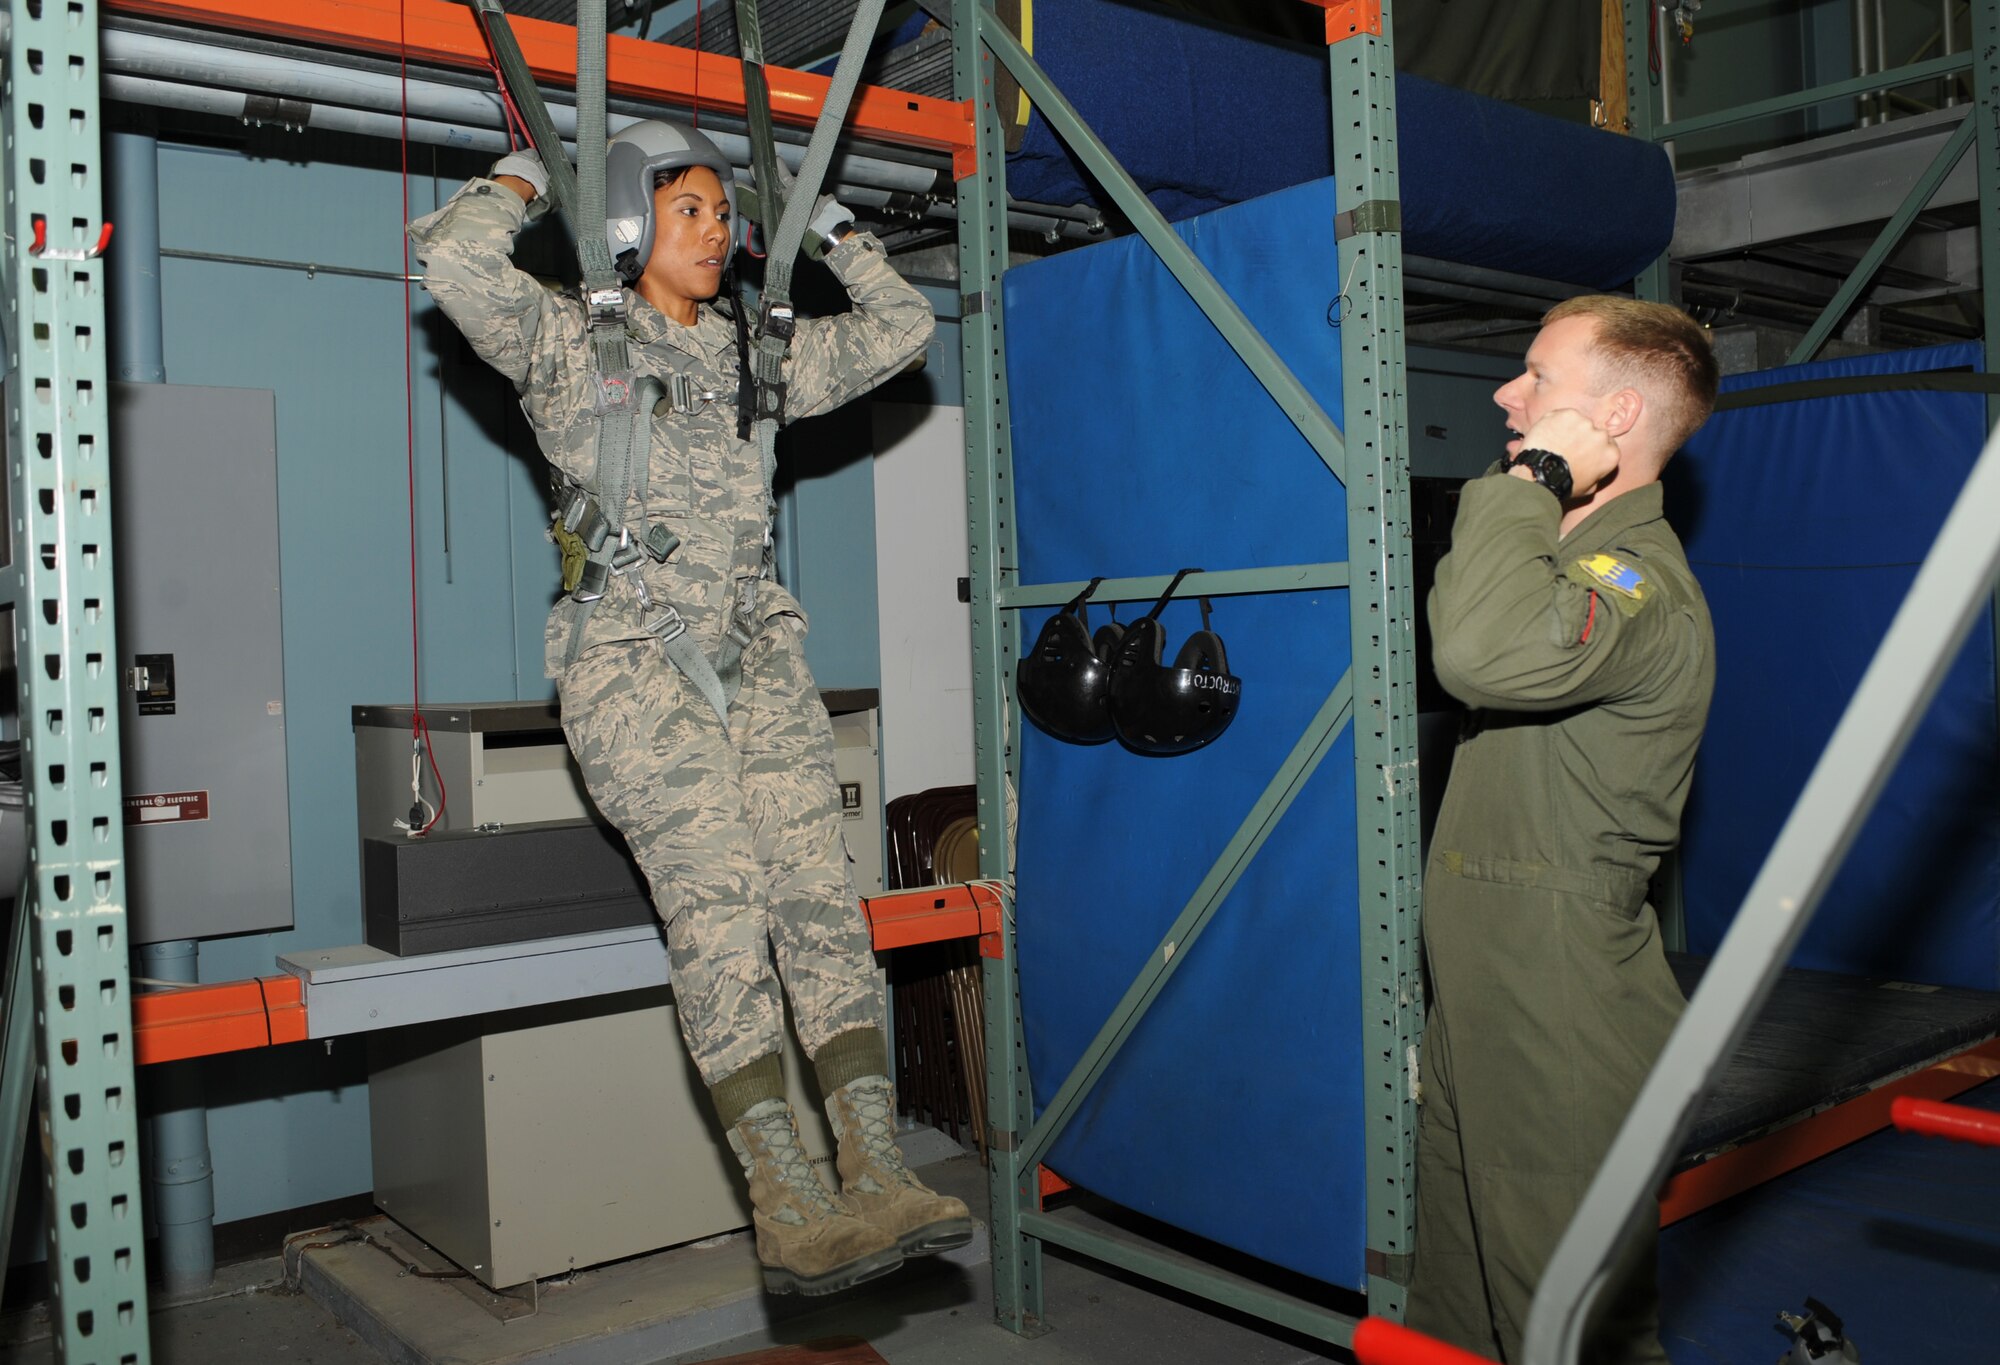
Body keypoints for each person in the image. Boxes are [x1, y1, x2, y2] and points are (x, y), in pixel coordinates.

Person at [407, 121, 964, 1298]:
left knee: (818, 896)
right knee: (719, 908)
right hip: (630, 664)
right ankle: (786, 1198)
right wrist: (529, 175)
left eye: (724, 212)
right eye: (689, 210)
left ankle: (876, 1168)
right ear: (623, 222)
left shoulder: (756, 355)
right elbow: (455, 265)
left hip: (757, 654)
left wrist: (830, 229)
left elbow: (904, 331)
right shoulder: (567, 340)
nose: (719, 231)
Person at [1404, 295, 1719, 1362]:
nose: (1506, 392)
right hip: (1487, 984)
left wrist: (1531, 477)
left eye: (1535, 376)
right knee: (1457, 1296)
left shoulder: (1639, 591)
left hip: (1557, 1003)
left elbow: (1478, 658)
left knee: (1566, 1322)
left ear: (1614, 417)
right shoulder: (1564, 575)